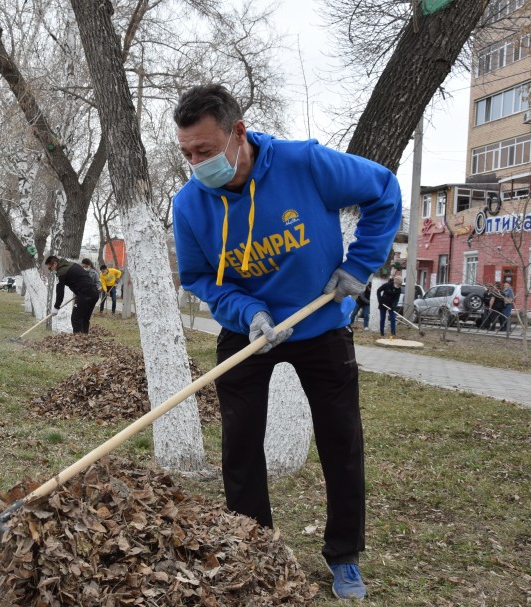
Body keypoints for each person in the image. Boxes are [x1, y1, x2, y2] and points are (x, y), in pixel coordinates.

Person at [171, 84, 401, 600]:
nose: (195, 163)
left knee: (341, 441)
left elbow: (383, 192)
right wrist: (247, 310)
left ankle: (343, 555)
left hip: (320, 324)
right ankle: (255, 549)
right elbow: (200, 278)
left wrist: (359, 266)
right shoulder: (189, 204)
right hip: (249, 332)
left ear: (238, 133)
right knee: (240, 444)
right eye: (186, 153)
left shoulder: (304, 164)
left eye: (204, 151)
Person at [44, 255, 101, 334]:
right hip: (94, 293)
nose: (50, 270)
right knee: (85, 318)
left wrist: (56, 307)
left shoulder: (61, 271)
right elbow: (83, 279)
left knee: (75, 318)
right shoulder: (73, 264)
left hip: (85, 294)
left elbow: (60, 291)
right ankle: (85, 340)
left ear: (55, 264)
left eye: (50, 268)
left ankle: (78, 341)